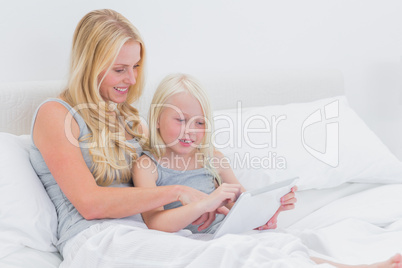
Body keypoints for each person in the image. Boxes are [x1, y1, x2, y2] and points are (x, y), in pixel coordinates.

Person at [29, 8, 401, 268]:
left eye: (137, 66)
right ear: (90, 64)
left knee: (259, 246)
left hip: (148, 232)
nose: (130, 78)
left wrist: (227, 208)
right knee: (227, 257)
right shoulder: (57, 115)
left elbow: (178, 169)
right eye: (119, 69)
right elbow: (91, 203)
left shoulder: (129, 121)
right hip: (96, 242)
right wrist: (179, 195)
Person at [133, 73, 402, 268]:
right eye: (179, 120)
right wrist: (204, 205)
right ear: (157, 119)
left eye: (199, 122)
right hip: (200, 242)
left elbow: (242, 203)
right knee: (263, 254)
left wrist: (270, 211)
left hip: (229, 233)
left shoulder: (212, 157)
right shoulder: (147, 166)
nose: (190, 130)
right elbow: (154, 222)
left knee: (284, 246)